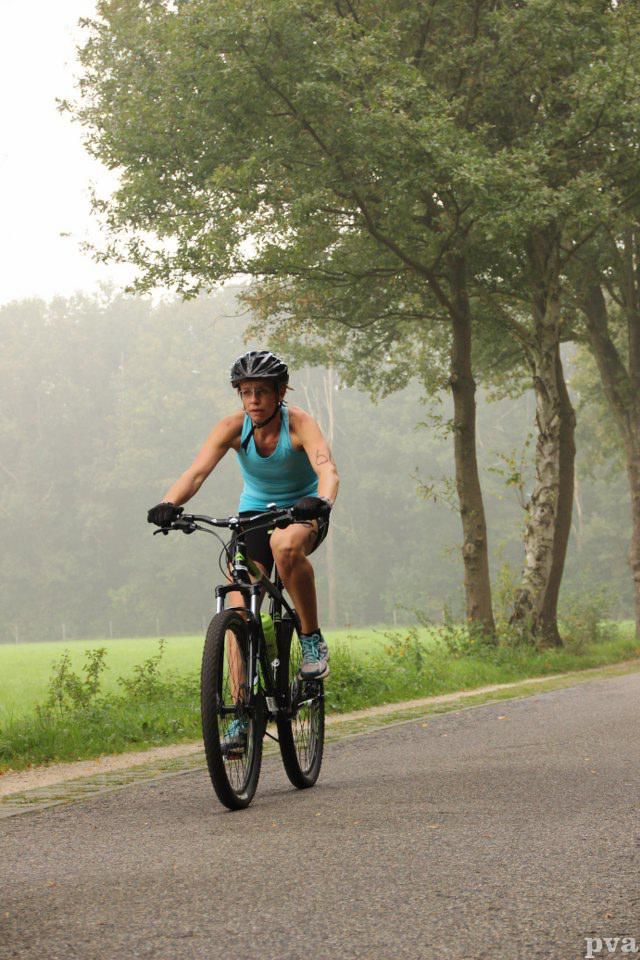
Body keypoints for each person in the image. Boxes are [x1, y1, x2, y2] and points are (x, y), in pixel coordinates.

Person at [147, 349, 339, 691]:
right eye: (246, 392)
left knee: (284, 545)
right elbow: (196, 473)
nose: (253, 400)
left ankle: (311, 640)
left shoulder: (299, 424)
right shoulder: (232, 427)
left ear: (280, 392)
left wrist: (321, 501)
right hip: (254, 515)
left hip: (301, 510)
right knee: (238, 612)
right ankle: (239, 708)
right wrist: (168, 502)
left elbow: (327, 469)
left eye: (261, 391)